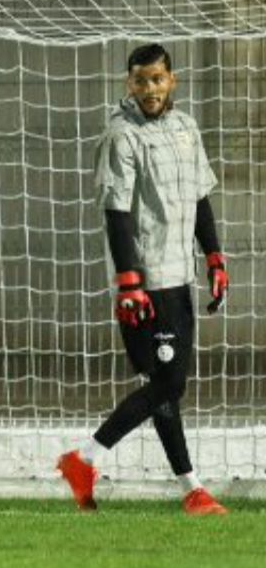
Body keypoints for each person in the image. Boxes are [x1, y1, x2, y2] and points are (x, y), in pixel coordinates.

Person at [57, 43, 230, 515]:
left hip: (180, 275)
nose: (150, 89)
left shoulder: (186, 128)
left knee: (163, 386)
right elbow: (116, 214)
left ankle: (192, 490)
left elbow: (200, 199)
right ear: (128, 84)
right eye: (140, 81)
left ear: (172, 80)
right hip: (147, 283)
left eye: (157, 79)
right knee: (168, 385)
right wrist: (130, 283)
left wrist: (214, 257)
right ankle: (84, 459)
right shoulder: (121, 136)